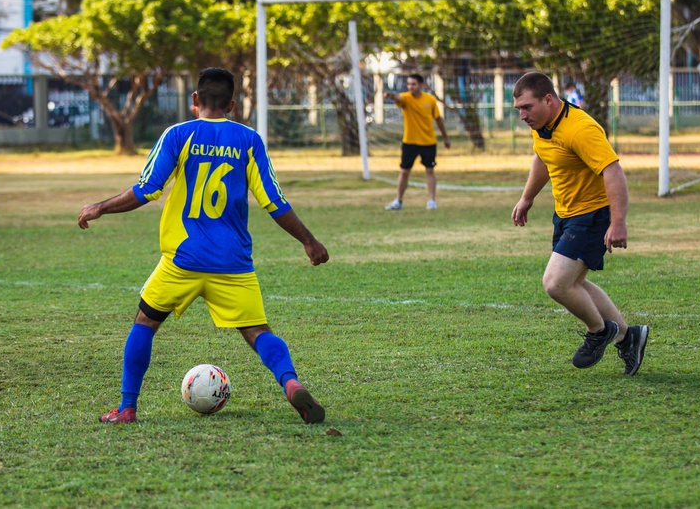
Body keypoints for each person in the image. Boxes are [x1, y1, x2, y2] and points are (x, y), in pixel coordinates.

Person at [78, 68, 329, 425]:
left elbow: (146, 190)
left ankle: (127, 408)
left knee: (145, 323)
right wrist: (309, 240)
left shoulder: (178, 135)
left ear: (194, 101)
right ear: (232, 104)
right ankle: (291, 383)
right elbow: (274, 201)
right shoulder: (249, 140)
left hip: (183, 259)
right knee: (259, 333)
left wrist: (100, 206)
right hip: (233, 263)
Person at [511, 72, 648, 376]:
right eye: (518, 109)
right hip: (566, 213)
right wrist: (527, 197)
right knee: (575, 283)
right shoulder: (543, 124)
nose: (522, 116)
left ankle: (599, 331)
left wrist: (618, 222)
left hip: (593, 215)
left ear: (549, 99)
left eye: (527, 107)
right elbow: (543, 158)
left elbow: (613, 171)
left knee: (556, 284)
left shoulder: (581, 128)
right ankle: (629, 337)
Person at [384, 73, 451, 211]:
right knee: (404, 171)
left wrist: (445, 137)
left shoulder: (430, 100)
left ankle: (432, 201)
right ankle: (398, 200)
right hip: (410, 141)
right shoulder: (406, 98)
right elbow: (398, 98)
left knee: (430, 170)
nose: (410, 87)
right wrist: (391, 95)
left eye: (413, 84)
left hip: (428, 141)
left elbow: (438, 119)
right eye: (408, 84)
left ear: (421, 85)